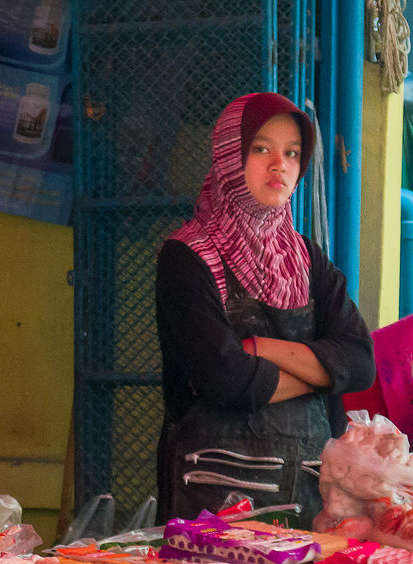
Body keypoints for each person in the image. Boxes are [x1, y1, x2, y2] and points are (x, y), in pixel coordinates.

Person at [155, 92, 375, 523]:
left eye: (292, 153)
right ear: (227, 155)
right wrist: (324, 375)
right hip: (214, 503)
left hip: (309, 499)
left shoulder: (308, 261)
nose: (280, 165)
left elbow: (362, 362)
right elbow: (226, 379)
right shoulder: (186, 257)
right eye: (261, 149)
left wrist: (259, 347)